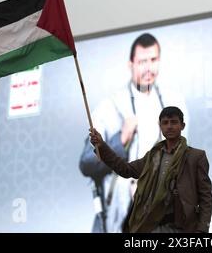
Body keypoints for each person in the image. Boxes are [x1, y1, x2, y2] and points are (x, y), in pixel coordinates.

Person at [79, 33, 189, 233]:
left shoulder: (174, 104)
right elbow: (87, 162)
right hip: (115, 219)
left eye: (153, 60)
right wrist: (120, 139)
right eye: (142, 61)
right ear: (131, 64)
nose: (148, 68)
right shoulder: (109, 108)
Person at [89, 106, 212, 233]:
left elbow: (206, 197)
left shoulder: (196, 157)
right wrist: (101, 146)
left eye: (174, 122)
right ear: (160, 126)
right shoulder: (153, 156)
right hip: (151, 224)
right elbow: (125, 169)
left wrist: (202, 230)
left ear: (183, 125)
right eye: (165, 123)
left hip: (182, 227)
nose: (169, 126)